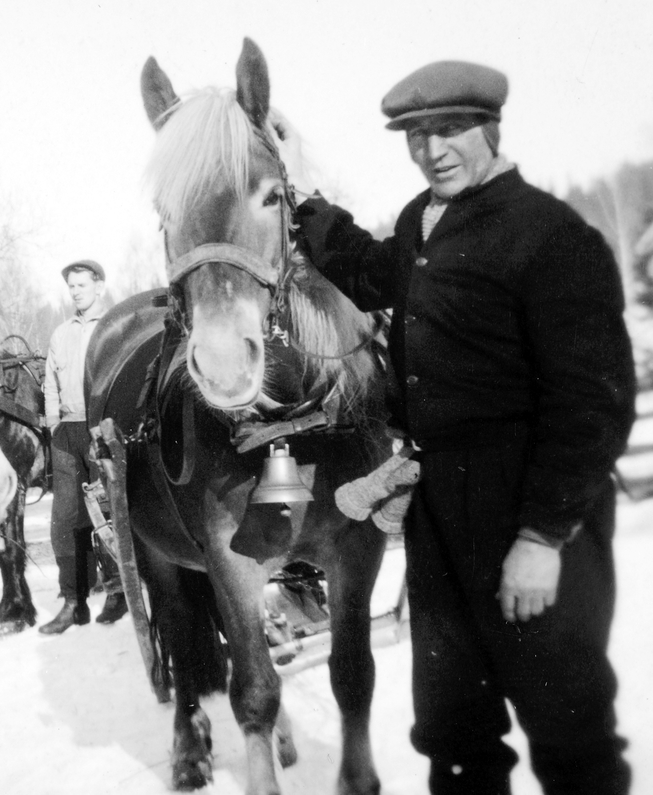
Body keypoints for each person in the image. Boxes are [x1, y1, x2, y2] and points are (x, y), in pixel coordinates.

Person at [273, 61, 634, 794]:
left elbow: (592, 404)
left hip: (528, 502)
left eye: (450, 131)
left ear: (490, 130)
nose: (432, 150)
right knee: (454, 728)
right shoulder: (420, 223)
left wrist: (542, 537)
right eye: (416, 135)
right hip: (439, 505)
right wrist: (303, 196)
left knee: (567, 726)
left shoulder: (548, 235)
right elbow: (368, 270)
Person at [39, 259, 128, 634]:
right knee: (65, 518)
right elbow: (50, 384)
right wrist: (55, 424)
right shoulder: (60, 334)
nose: (75, 292)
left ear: (99, 287)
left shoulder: (114, 328)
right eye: (71, 286)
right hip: (67, 433)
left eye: (82, 285)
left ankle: (117, 592)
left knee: (105, 514)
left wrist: (108, 428)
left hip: (100, 430)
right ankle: (72, 602)